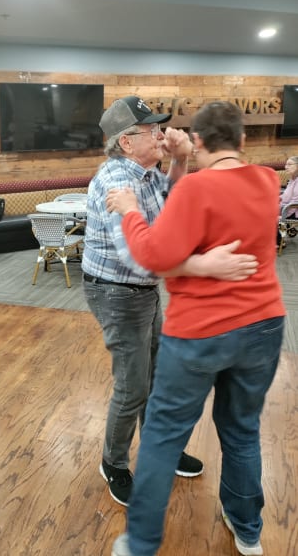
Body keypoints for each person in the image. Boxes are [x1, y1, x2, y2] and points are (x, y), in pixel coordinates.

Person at [107, 101, 285, 556]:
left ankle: (141, 543)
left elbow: (153, 255)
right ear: (243, 142)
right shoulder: (268, 180)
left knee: (164, 435)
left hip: (200, 332)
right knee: (242, 430)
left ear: (199, 140)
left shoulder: (194, 190)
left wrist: (129, 209)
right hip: (264, 324)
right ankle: (248, 531)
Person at [82, 96, 259, 508]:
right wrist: (205, 265)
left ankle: (158, 450)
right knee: (132, 386)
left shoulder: (147, 172)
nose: (163, 135)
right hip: (117, 291)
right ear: (126, 142)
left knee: (157, 377)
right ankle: (113, 463)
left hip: (143, 291)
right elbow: (139, 255)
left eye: (161, 128)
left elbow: (174, 206)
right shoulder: (115, 182)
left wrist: (179, 162)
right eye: (152, 130)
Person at [277, 155, 298, 247]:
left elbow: (294, 203)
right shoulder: (292, 180)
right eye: (286, 164)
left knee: (268, 214)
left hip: (293, 210)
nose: (286, 167)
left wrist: (280, 212)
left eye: (289, 164)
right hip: (286, 207)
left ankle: (280, 239)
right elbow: (286, 196)